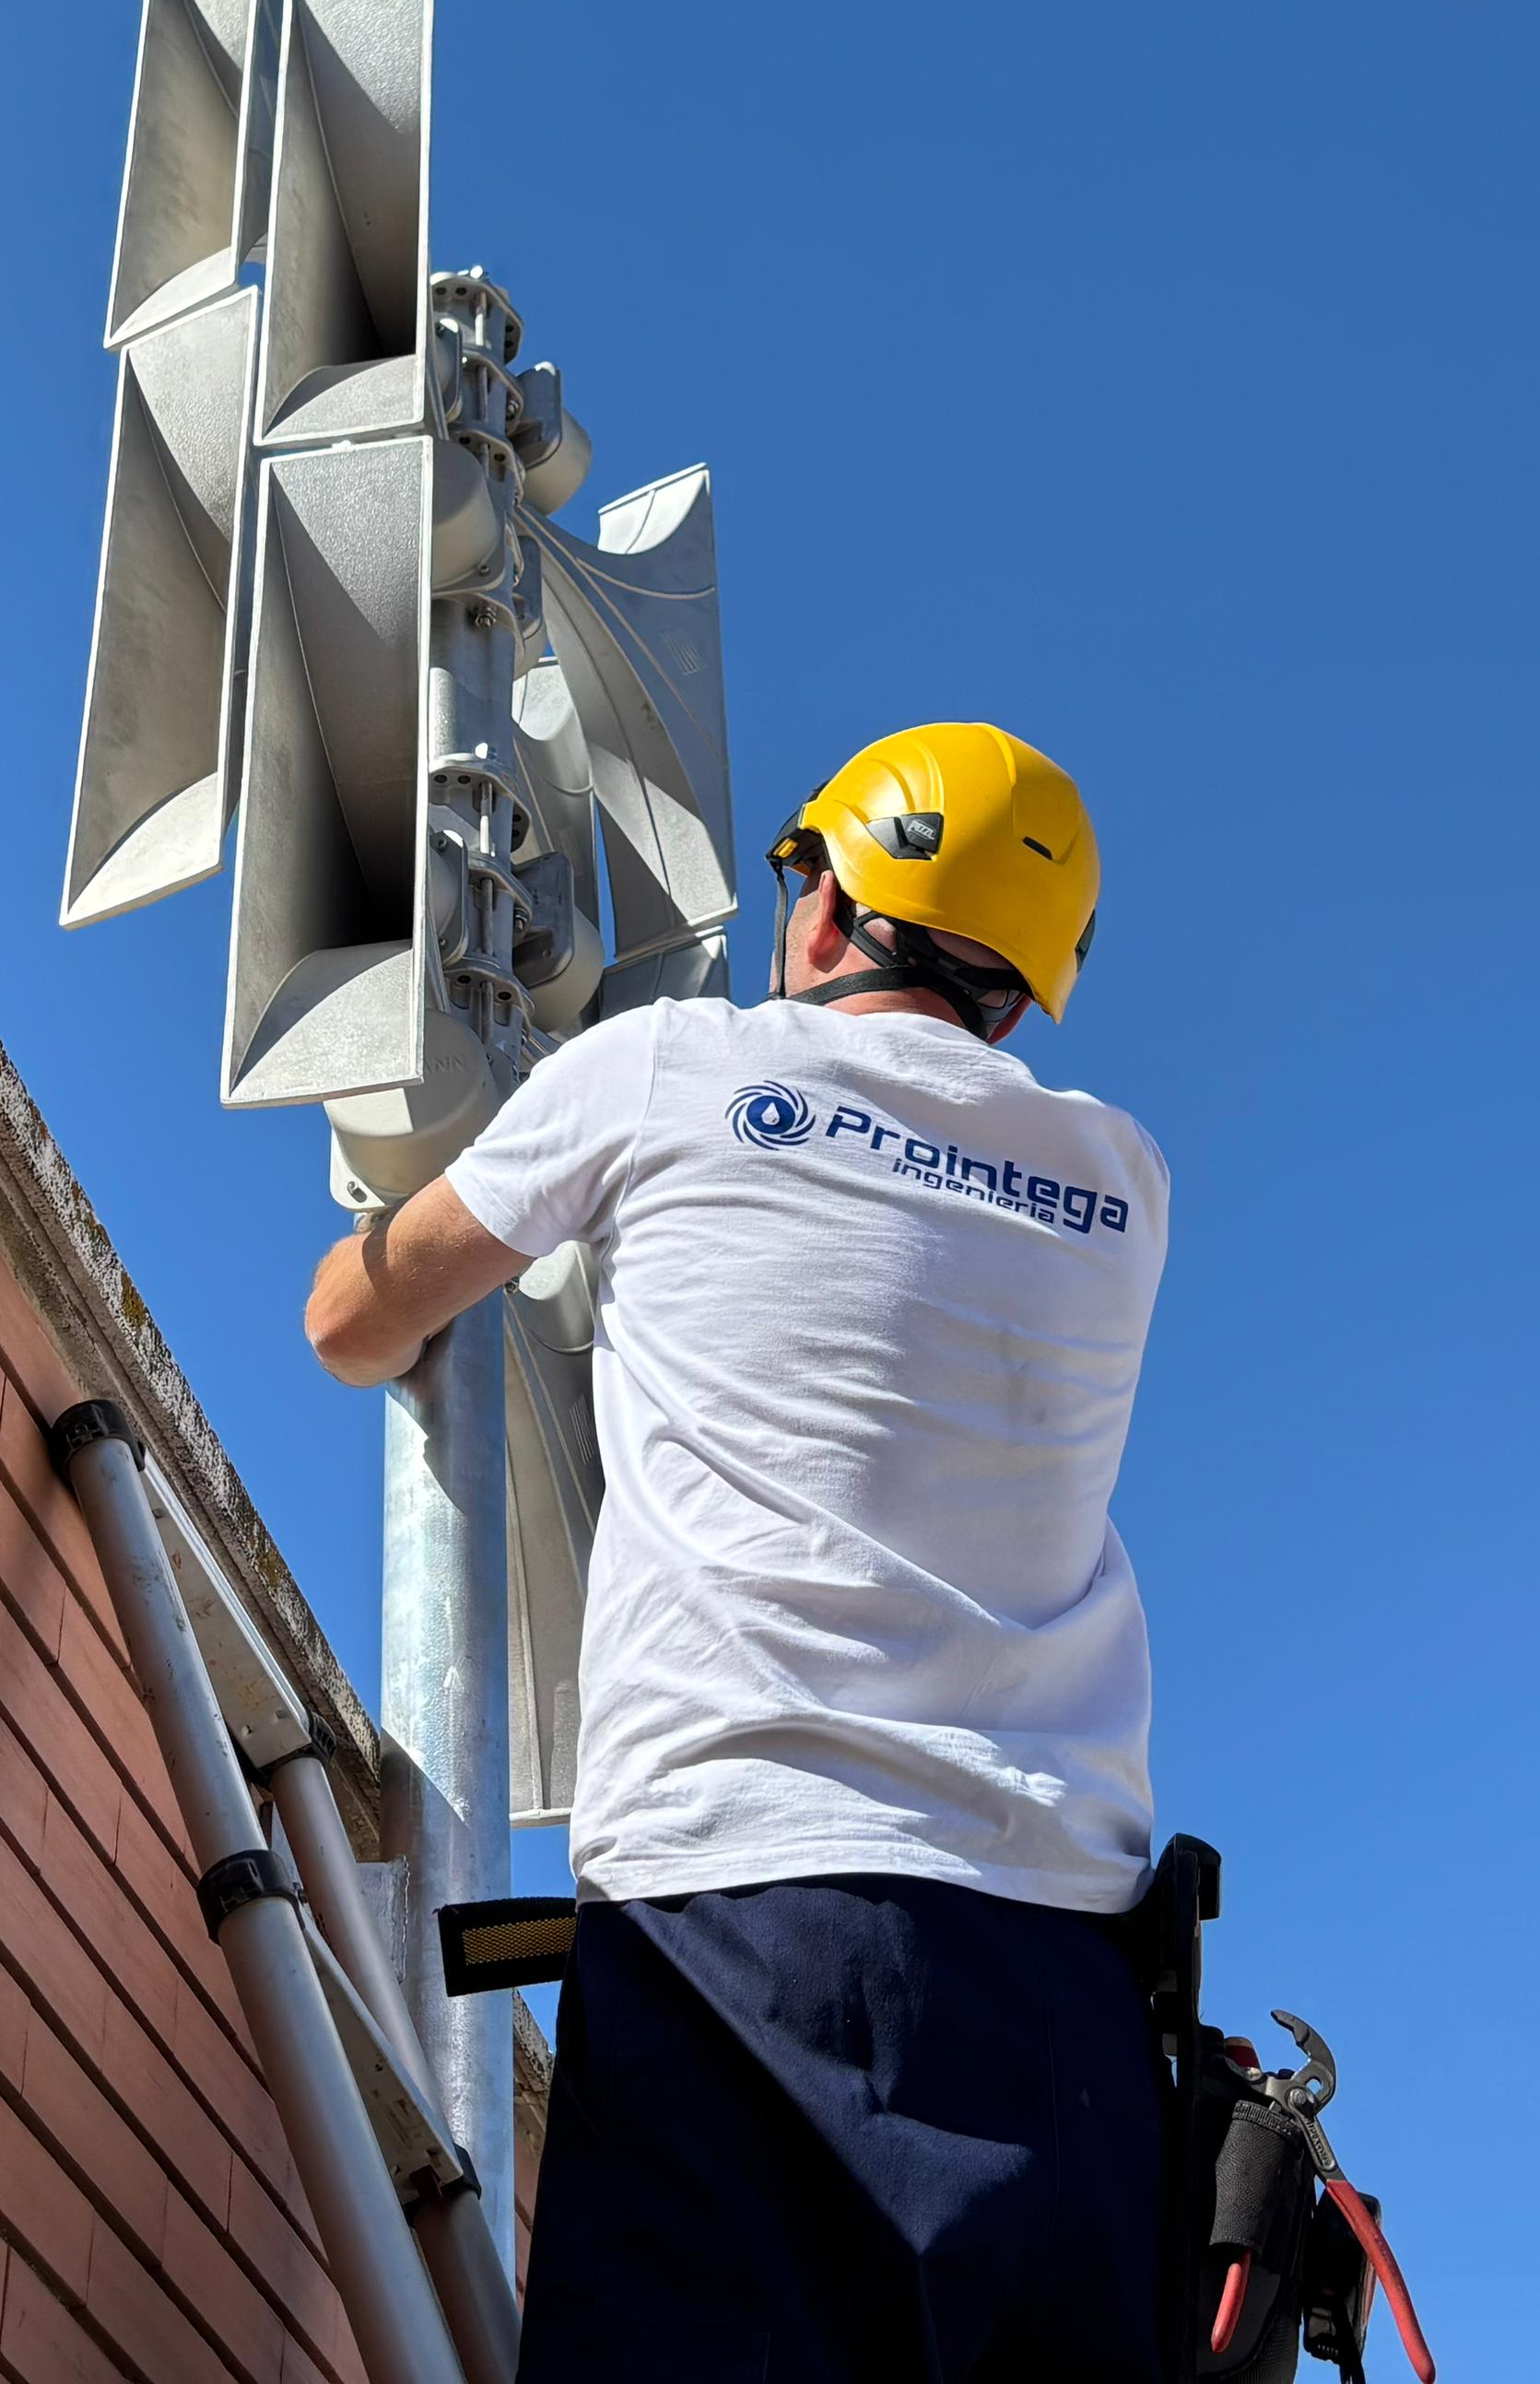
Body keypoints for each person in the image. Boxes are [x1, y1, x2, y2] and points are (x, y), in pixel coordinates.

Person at [301, 720, 1171, 2384]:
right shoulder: (1123, 1184)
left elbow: (355, 1324)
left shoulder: (666, 1069)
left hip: (737, 1921)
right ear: (1019, 992)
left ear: (827, 901)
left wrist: (397, 1234)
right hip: (1061, 1981)